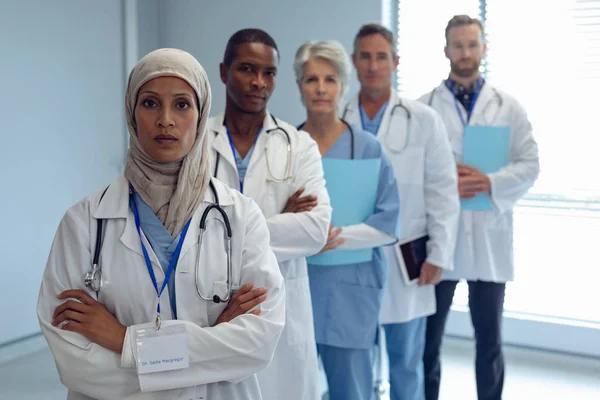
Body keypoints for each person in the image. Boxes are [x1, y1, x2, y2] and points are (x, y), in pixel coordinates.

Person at [37, 48, 286, 400]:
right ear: (131, 112)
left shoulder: (241, 215)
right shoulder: (84, 223)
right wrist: (210, 352)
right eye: (151, 103)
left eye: (182, 104)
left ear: (200, 116)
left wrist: (125, 341)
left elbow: (258, 343)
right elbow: (75, 364)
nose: (165, 119)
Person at [418, 15, 540, 400]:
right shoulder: (425, 108)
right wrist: (440, 180)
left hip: (488, 237)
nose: (465, 53)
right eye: (458, 45)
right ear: (446, 50)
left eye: (473, 45)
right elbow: (408, 171)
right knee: (428, 339)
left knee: (489, 340)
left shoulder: (509, 108)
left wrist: (490, 182)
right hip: (441, 239)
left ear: (484, 49)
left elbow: (530, 163)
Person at [206, 29, 331, 400]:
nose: (259, 82)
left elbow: (314, 230)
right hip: (210, 303)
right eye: (247, 69)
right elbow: (179, 225)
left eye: (269, 73)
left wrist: (224, 226)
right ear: (224, 71)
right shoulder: (195, 143)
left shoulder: (299, 145)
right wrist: (276, 218)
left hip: (280, 304)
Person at [343, 23, 460, 400]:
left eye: (381, 57)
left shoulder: (424, 119)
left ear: (395, 62)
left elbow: (443, 191)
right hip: (351, 258)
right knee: (353, 361)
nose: (373, 65)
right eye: (365, 56)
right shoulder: (335, 119)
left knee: (407, 362)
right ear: (353, 62)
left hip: (407, 258)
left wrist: (439, 254)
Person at [294, 40, 400, 400]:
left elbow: (388, 221)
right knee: (293, 388)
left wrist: (332, 237)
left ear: (343, 85)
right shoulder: (282, 147)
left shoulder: (368, 148)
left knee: (351, 391)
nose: (321, 88)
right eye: (311, 79)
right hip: (296, 287)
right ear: (299, 86)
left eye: (330, 79)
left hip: (350, 293)